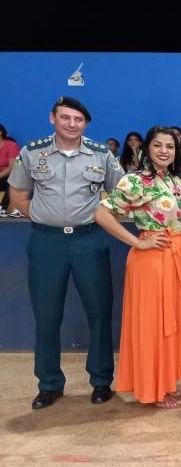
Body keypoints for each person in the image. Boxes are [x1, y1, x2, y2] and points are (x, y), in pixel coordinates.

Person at [7, 96, 124, 409]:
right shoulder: (32, 152)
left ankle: (101, 381)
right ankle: (49, 384)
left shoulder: (101, 155)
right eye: (66, 118)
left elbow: (124, 192)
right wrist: (46, 216)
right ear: (53, 118)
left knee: (99, 313)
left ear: (85, 124)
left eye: (78, 120)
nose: (72, 124)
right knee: (46, 315)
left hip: (89, 240)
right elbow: (17, 193)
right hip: (47, 243)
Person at [94, 125, 181, 409]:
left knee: (174, 321)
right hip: (152, 260)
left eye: (169, 146)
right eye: (158, 145)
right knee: (154, 325)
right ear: (146, 148)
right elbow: (102, 214)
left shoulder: (178, 181)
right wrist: (136, 242)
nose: (164, 151)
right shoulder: (134, 181)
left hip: (178, 255)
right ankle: (152, 388)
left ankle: (166, 381)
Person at [0, 123, 22, 217]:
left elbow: (12, 167)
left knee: (14, 178)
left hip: (8, 175)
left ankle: (2, 208)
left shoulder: (11, 145)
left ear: (0, 132)